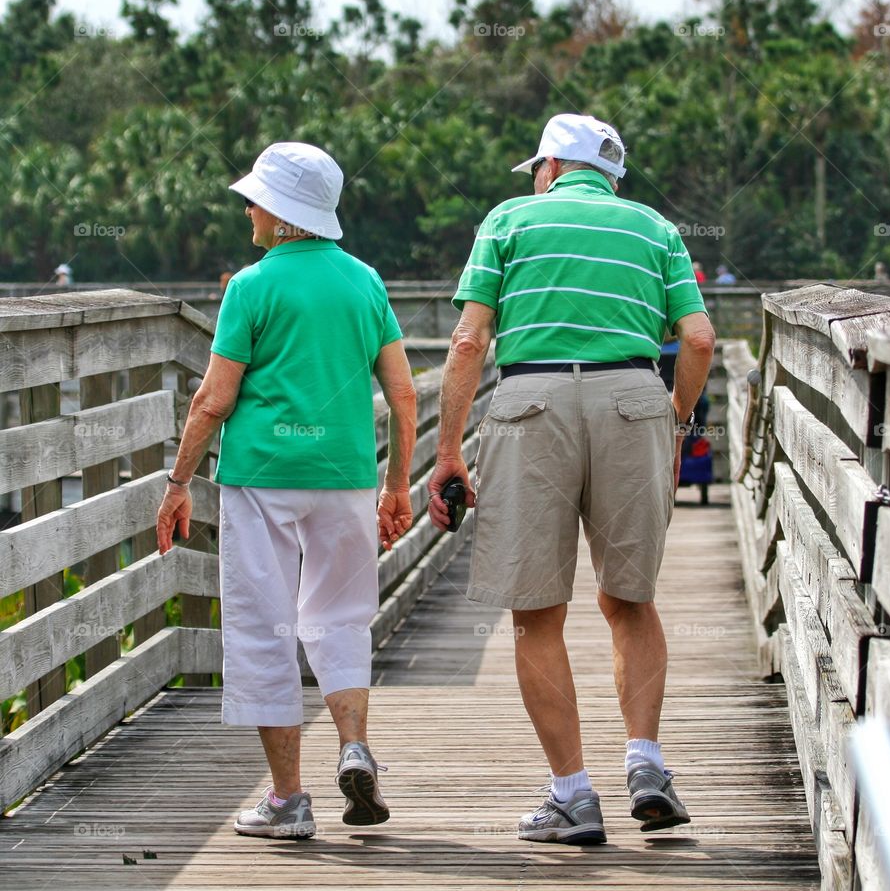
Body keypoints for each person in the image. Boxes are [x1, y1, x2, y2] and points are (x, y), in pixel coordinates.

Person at [428, 114, 715, 844]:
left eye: (536, 167)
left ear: (553, 165)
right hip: (632, 399)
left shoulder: (509, 220)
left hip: (532, 402)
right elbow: (700, 338)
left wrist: (448, 451)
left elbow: (469, 339)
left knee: (536, 611)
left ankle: (572, 796)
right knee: (631, 600)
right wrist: (673, 417)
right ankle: (646, 764)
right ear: (610, 176)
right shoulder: (653, 228)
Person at [156, 142, 417, 840]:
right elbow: (402, 394)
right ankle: (354, 745)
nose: (248, 208)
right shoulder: (365, 282)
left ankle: (288, 800)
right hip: (345, 477)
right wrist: (397, 485)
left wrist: (178, 481)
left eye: (256, 199)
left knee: (263, 626)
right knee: (340, 617)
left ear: (280, 212)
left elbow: (212, 400)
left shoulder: (251, 286)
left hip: (263, 478)